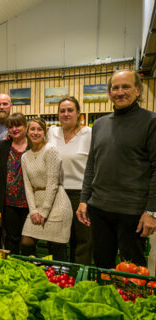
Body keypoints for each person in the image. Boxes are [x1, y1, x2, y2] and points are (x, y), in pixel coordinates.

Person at [77, 70, 156, 268]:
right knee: (102, 266)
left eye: (126, 87)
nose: (120, 92)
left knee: (134, 273)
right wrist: (84, 200)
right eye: (115, 88)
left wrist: (152, 212)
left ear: (138, 90)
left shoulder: (151, 122)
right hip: (100, 210)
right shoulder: (101, 124)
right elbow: (91, 166)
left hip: (133, 213)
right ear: (109, 93)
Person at [47, 96, 92, 265]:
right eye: (62, 111)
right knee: (57, 239)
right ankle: (60, 274)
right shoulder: (52, 132)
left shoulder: (88, 133)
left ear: (78, 113)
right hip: (57, 193)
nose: (66, 114)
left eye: (70, 110)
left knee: (82, 239)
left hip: (81, 194)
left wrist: (86, 198)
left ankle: (79, 276)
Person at [20, 118, 72, 261]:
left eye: (39, 129)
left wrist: (44, 211)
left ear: (44, 132)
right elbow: (28, 186)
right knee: (26, 243)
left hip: (56, 204)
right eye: (32, 129)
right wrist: (34, 211)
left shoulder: (50, 150)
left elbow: (53, 183)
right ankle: (34, 275)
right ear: (27, 132)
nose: (35, 133)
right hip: (37, 205)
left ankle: (60, 280)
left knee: (57, 251)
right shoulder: (25, 157)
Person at [0, 113, 30, 255]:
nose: (14, 129)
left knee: (28, 241)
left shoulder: (35, 144)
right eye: (11, 126)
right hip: (9, 202)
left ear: (25, 126)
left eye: (18, 125)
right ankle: (12, 266)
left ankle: (28, 267)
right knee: (11, 238)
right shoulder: (1, 146)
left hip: (31, 201)